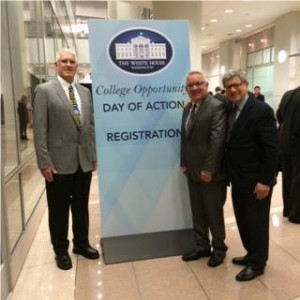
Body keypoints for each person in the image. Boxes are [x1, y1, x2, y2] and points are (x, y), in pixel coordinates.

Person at [33, 48, 99, 270]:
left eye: (72, 61)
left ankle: (81, 244)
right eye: (64, 61)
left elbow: (90, 126)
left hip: (83, 161)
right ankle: (60, 250)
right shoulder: (44, 91)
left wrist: (93, 154)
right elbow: (40, 130)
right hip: (58, 163)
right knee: (59, 209)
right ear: (56, 65)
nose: (69, 65)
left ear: (77, 66)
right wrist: (44, 162)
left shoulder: (85, 92)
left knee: (81, 206)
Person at [223, 70, 278, 281]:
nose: (233, 89)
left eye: (237, 85)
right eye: (229, 87)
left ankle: (257, 263)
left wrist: (265, 180)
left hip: (257, 181)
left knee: (257, 223)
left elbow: (272, 149)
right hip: (238, 178)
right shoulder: (230, 108)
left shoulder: (261, 110)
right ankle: (250, 253)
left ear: (246, 85)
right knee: (244, 220)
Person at [180, 71, 228, 268]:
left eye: (198, 84)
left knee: (213, 212)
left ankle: (219, 249)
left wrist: (208, 169)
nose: (194, 88)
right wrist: (183, 162)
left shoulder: (217, 107)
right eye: (190, 85)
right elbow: (185, 138)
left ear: (206, 85)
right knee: (197, 211)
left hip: (211, 173)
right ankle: (202, 246)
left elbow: (217, 140)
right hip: (192, 169)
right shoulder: (188, 108)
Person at [276, 86, 300, 224]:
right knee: (297, 179)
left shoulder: (288, 93)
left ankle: (288, 209)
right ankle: (296, 213)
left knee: (288, 177)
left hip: (284, 140)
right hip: (297, 142)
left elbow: (279, 115)